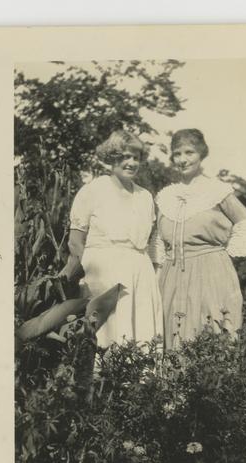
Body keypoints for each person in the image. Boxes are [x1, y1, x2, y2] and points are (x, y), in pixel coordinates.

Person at [154, 128, 246, 349]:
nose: (183, 160)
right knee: (171, 333)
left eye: (189, 152)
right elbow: (158, 239)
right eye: (177, 154)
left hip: (210, 272)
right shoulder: (166, 196)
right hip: (171, 274)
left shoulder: (217, 191)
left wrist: (224, 256)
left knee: (209, 331)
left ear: (201, 154)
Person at [59, 130, 163, 348]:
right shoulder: (93, 191)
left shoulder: (145, 197)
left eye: (136, 157)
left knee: (139, 330)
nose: (131, 162)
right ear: (113, 156)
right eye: (125, 156)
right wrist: (88, 275)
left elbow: (150, 240)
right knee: (107, 332)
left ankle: (141, 382)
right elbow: (75, 241)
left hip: (139, 272)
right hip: (103, 272)